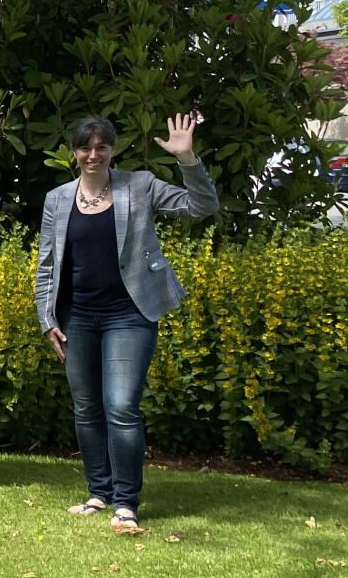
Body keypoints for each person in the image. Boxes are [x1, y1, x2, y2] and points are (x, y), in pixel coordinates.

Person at [34, 113, 216, 534]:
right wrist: (47, 320)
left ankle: (126, 503)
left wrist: (187, 157)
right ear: (74, 152)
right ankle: (99, 493)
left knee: (120, 406)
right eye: (85, 147)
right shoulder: (57, 199)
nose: (93, 154)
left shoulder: (140, 185)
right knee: (86, 408)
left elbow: (201, 207)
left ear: (112, 150)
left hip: (129, 315)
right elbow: (46, 265)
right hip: (76, 316)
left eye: (101, 147)